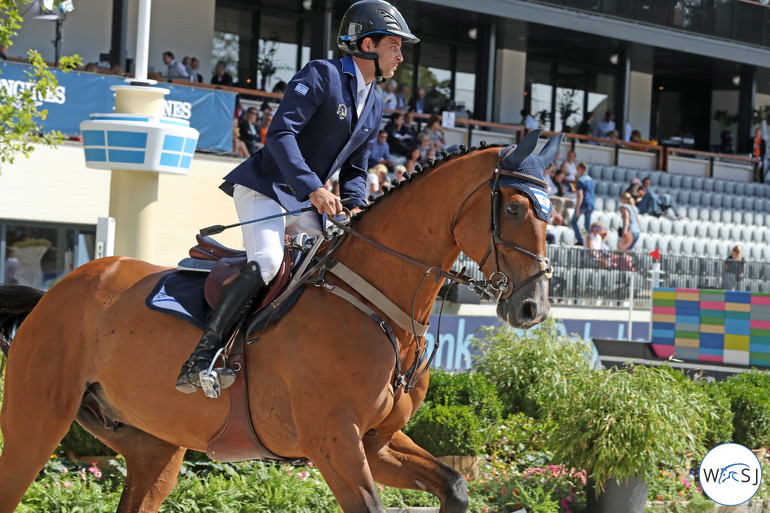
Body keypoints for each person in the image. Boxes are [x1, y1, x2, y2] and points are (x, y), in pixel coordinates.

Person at [175, 0, 418, 396]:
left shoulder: (374, 102)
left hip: (306, 203)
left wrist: (356, 205)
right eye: (395, 46)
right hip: (267, 189)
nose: (401, 56)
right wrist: (315, 188)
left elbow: (357, 168)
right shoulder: (322, 74)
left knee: (344, 264)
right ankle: (201, 358)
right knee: (269, 261)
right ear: (369, 44)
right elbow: (280, 135)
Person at [571, 162, 594, 246]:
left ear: (581, 169)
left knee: (573, 222)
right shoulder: (590, 179)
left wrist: (577, 208)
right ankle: (591, 242)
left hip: (583, 204)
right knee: (587, 225)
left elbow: (580, 195)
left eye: (577, 169)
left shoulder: (580, 180)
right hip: (591, 204)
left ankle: (580, 240)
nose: (576, 171)